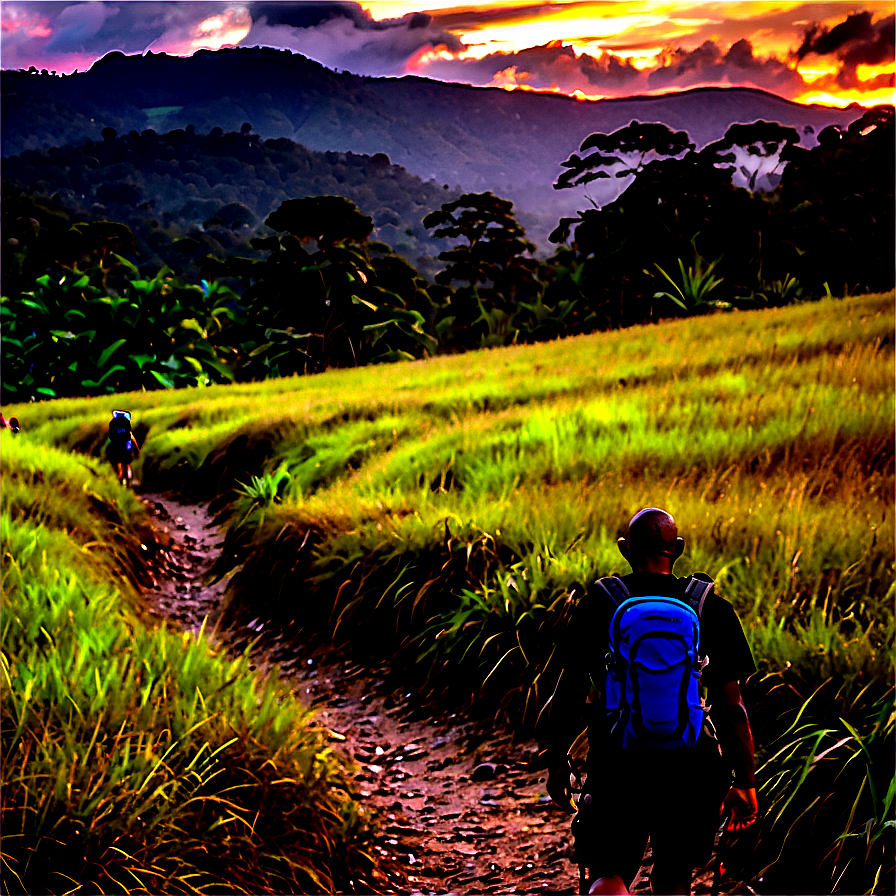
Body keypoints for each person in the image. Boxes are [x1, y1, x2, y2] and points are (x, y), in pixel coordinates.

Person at [546, 507, 758, 895]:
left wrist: (558, 758)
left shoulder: (602, 603)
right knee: (675, 874)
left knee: (609, 872)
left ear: (625, 549)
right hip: (691, 763)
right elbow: (731, 706)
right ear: (677, 548)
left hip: (618, 759)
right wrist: (745, 781)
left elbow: (568, 692)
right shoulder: (709, 606)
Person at [108, 409, 139, 486]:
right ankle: (128, 478)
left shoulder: (113, 423)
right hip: (126, 446)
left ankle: (120, 477)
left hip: (116, 446)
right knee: (127, 461)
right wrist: (137, 449)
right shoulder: (126, 423)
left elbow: (111, 436)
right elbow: (130, 436)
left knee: (118, 461)